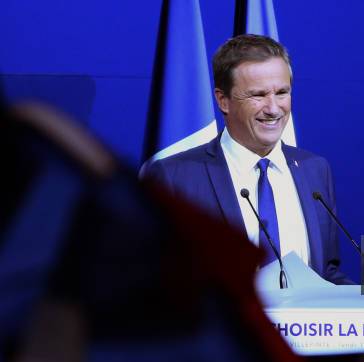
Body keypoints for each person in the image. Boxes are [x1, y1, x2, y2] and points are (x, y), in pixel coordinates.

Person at [144, 34, 353, 285]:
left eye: (282, 92)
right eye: (258, 95)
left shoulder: (314, 169)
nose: (273, 108)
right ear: (223, 101)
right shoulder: (175, 176)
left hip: (305, 325)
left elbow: (326, 273)